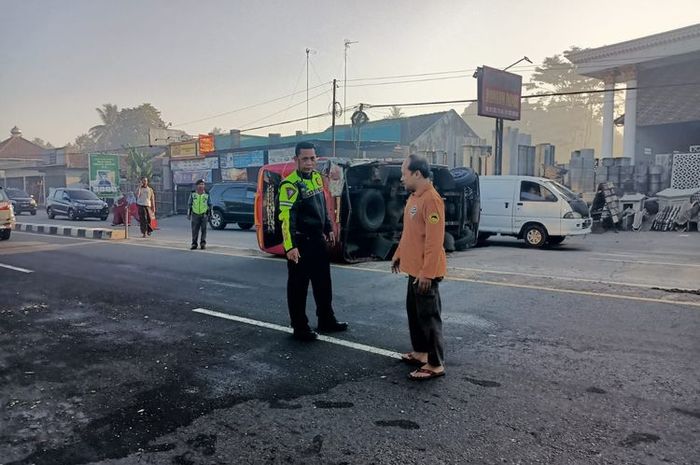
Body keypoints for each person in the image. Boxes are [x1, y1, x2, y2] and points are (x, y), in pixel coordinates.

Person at [278, 141, 348, 341]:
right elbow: (285, 218)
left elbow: (323, 206)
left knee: (323, 283)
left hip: (318, 240)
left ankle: (327, 319)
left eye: (312, 158)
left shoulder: (317, 178)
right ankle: (300, 327)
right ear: (296, 160)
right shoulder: (289, 185)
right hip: (300, 243)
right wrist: (289, 246)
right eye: (305, 159)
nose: (309, 163)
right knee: (298, 287)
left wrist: (328, 228)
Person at [391, 154, 447, 381]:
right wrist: (399, 253)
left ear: (417, 173)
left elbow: (435, 240)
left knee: (429, 317)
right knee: (414, 314)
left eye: (404, 173)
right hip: (413, 268)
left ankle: (435, 363)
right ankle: (421, 352)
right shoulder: (414, 198)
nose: (401, 178)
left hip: (426, 272)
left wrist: (427, 273)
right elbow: (410, 233)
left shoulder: (431, 200)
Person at [187, 179, 211, 250]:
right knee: (195, 230)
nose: (201, 186)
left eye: (203, 184)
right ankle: (194, 244)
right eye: (200, 184)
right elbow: (189, 204)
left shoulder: (207, 194)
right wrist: (188, 214)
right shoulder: (193, 194)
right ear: (197, 186)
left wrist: (210, 213)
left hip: (204, 215)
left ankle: (203, 244)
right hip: (195, 214)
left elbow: (210, 204)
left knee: (204, 230)